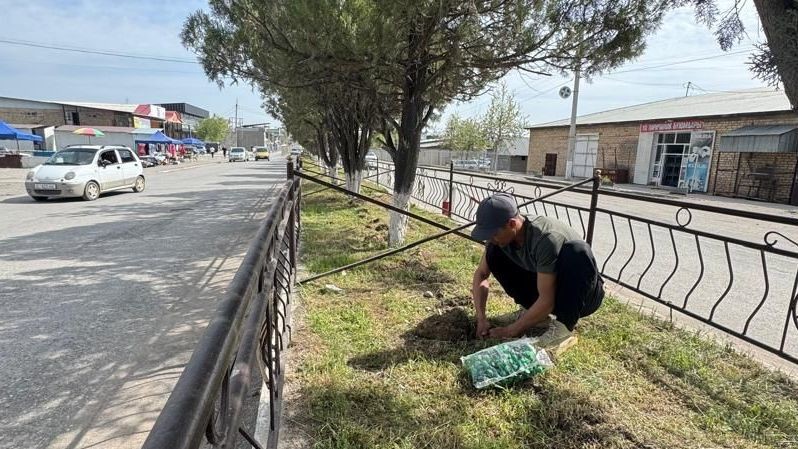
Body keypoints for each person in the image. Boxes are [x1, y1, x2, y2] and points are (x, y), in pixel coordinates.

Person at [470, 192, 604, 350]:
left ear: (512, 224)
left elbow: (547, 300)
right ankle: (536, 316)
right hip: (549, 287)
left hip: (583, 297)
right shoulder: (502, 238)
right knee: (494, 253)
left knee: (577, 250)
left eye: (493, 234)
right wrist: (481, 318)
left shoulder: (545, 238)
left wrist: (510, 330)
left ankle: (563, 328)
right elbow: (481, 274)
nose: (490, 239)